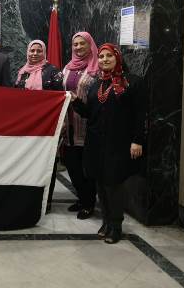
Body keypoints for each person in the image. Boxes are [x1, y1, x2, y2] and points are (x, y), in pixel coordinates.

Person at [71, 43, 146, 244]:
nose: (104, 60)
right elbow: (90, 114)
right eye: (101, 56)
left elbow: (140, 114)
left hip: (118, 143)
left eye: (109, 56)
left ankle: (116, 226)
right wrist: (76, 102)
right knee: (100, 184)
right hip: (96, 143)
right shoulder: (97, 84)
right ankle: (106, 222)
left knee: (113, 184)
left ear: (117, 58)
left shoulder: (132, 82)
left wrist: (137, 140)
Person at [14, 39, 63, 212]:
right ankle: (28, 198)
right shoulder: (22, 72)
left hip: (47, 126)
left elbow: (60, 98)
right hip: (26, 126)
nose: (34, 54)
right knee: (27, 161)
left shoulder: (53, 72)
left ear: (44, 53)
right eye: (32, 50)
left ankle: (45, 201)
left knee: (46, 161)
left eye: (39, 51)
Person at [62, 32, 99, 220]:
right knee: (73, 167)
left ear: (90, 45)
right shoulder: (68, 67)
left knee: (86, 169)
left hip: (87, 126)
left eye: (82, 44)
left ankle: (88, 203)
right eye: (75, 44)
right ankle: (81, 197)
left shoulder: (97, 69)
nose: (78, 47)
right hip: (68, 126)